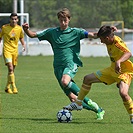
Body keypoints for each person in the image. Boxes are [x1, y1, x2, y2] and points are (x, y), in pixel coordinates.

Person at [22, 8, 105, 120]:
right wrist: (26, 30)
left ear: (69, 19)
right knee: (73, 99)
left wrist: (107, 31)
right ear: (58, 20)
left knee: (65, 81)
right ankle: (98, 109)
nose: (63, 22)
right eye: (61, 20)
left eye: (65, 20)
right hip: (57, 67)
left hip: (71, 63)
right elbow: (32, 35)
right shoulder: (52, 32)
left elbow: (94, 35)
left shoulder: (76, 32)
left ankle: (89, 101)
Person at [64, 25, 133, 124]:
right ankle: (78, 103)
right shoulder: (108, 38)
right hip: (112, 70)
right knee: (87, 79)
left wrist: (119, 61)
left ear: (107, 38)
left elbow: (128, 53)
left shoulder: (117, 43)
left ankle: (132, 116)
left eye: (102, 39)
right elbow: (104, 32)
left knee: (123, 93)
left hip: (125, 72)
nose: (101, 41)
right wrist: (110, 28)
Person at [0, 13, 26, 94]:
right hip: (7, 50)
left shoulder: (19, 29)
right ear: (10, 20)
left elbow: (21, 37)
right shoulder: (4, 28)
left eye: (15, 19)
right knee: (10, 68)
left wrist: (23, 45)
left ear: (17, 20)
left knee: (12, 71)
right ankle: (14, 87)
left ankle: (7, 87)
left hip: (15, 51)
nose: (14, 20)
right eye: (12, 19)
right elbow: (0, 37)